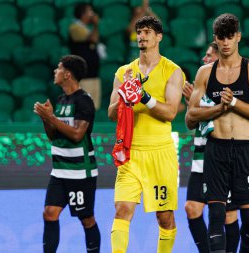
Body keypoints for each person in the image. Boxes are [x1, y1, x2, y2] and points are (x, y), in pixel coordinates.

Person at [187, 14, 249, 253]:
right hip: (217, 150)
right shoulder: (204, 73)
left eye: (230, 37)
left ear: (238, 37)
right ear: (215, 38)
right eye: (221, 37)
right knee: (216, 217)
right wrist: (217, 108)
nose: (225, 42)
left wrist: (233, 103)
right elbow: (191, 118)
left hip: (245, 151)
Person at [108, 16, 184, 253]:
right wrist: (123, 96)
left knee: (164, 217)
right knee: (122, 209)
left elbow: (171, 112)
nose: (141, 36)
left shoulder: (173, 71)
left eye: (147, 32)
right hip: (131, 154)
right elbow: (111, 113)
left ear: (158, 37)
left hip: (160, 154)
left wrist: (143, 97)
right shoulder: (123, 72)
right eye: (139, 32)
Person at [34, 55, 101, 253]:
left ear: (68, 74)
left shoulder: (84, 101)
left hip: (80, 172)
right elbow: (54, 136)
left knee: (86, 219)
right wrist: (46, 120)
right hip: (59, 171)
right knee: (49, 213)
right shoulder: (61, 99)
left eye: (59, 68)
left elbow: (77, 135)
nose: (55, 71)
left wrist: (51, 117)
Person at [184, 42, 240, 253]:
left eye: (208, 56)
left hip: (225, 162)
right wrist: (193, 105)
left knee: (229, 215)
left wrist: (198, 105)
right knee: (192, 208)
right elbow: (192, 121)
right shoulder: (201, 86)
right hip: (201, 161)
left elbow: (228, 118)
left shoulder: (232, 86)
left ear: (218, 59)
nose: (204, 60)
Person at [68, 3, 101, 110]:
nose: (92, 14)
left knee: (93, 108)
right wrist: (96, 25)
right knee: (83, 108)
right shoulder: (75, 28)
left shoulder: (86, 28)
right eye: (89, 12)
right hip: (83, 77)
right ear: (82, 14)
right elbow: (93, 39)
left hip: (93, 75)